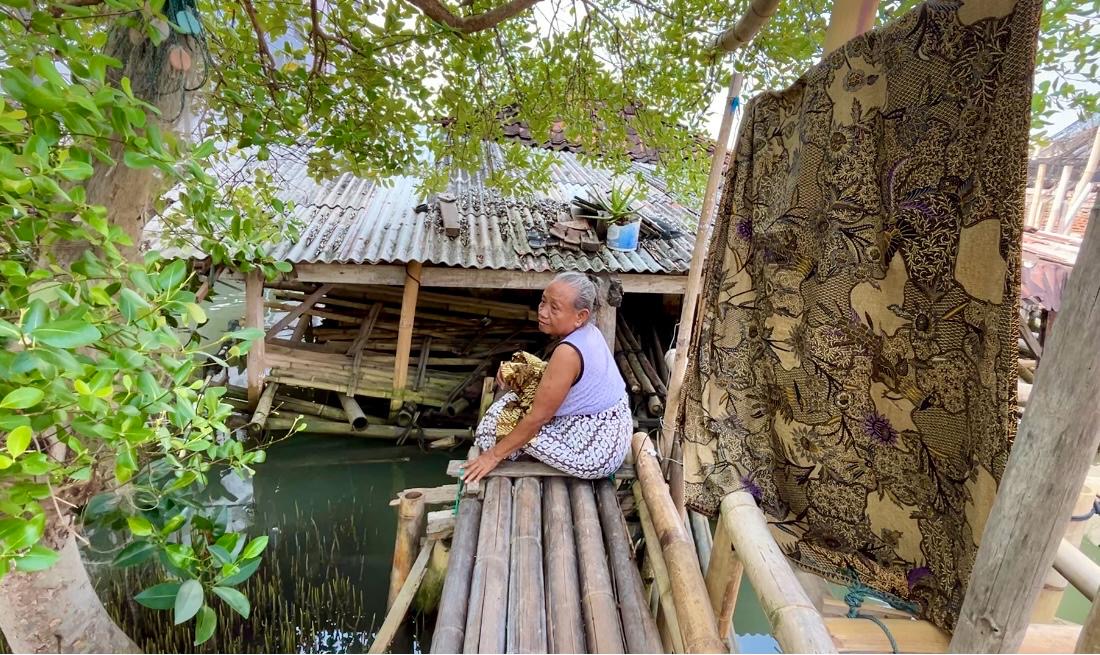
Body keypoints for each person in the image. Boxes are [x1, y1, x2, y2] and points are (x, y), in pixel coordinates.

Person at [462, 272, 631, 484]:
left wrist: (493, 456)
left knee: (492, 428)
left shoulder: (568, 352)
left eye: (555, 308)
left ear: (581, 316)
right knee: (508, 404)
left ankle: (519, 460)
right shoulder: (589, 332)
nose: (542, 312)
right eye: (543, 301)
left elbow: (538, 417)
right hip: (612, 427)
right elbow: (557, 375)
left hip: (595, 447)